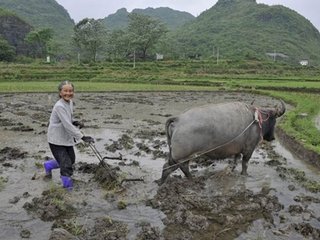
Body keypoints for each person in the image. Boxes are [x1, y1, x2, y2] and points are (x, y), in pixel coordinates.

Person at [44, 80, 94, 190]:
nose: (68, 93)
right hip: (56, 140)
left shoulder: (69, 102)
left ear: (73, 92)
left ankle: (48, 165)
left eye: (70, 91)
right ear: (60, 93)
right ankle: (68, 189)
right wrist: (82, 136)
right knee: (66, 165)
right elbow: (67, 125)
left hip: (65, 138)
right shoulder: (59, 106)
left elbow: (68, 119)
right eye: (65, 91)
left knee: (71, 160)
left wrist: (75, 121)